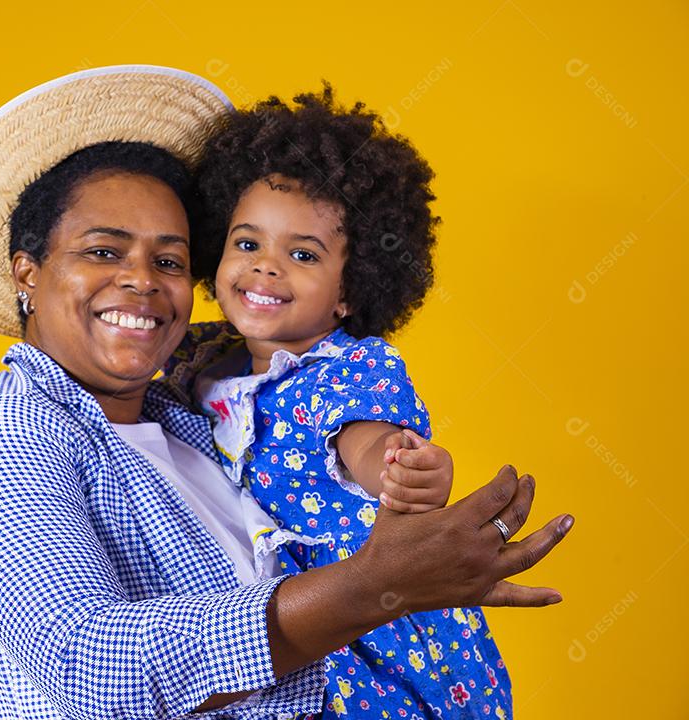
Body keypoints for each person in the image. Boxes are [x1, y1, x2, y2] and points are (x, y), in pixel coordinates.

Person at [0, 65, 574, 720]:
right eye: (103, 252)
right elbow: (94, 671)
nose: (142, 280)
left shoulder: (198, 416)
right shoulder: (0, 433)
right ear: (27, 273)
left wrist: (403, 508)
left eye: (169, 261)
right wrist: (375, 586)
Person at [164, 83, 508, 716]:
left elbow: (368, 440)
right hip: (270, 631)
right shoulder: (202, 360)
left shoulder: (348, 369)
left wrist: (402, 468)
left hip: (366, 630)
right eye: (247, 243)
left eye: (302, 254)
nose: (266, 267)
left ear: (349, 291)